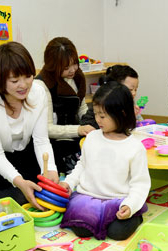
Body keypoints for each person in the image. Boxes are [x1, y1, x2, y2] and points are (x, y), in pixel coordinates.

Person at [0, 41, 59, 208]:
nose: (24, 85)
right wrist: (19, 181)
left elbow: (41, 140)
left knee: (41, 188)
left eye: (28, 76)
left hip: (23, 149)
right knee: (17, 197)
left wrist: (51, 169)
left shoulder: (38, 92)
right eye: (14, 80)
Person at [59, 81, 151, 240]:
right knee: (81, 230)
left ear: (122, 114)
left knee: (117, 232)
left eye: (102, 116)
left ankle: (136, 215)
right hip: (88, 198)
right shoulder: (92, 137)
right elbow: (82, 165)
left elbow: (140, 183)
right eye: (95, 114)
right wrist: (69, 182)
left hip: (118, 200)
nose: (97, 119)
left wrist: (130, 206)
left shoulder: (134, 147)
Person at [35, 37, 95, 174]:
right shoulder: (41, 85)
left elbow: (81, 107)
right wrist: (79, 130)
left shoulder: (77, 77)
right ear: (53, 66)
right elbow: (47, 129)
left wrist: (90, 123)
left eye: (75, 63)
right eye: (66, 67)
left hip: (77, 136)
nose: (73, 70)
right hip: (56, 143)